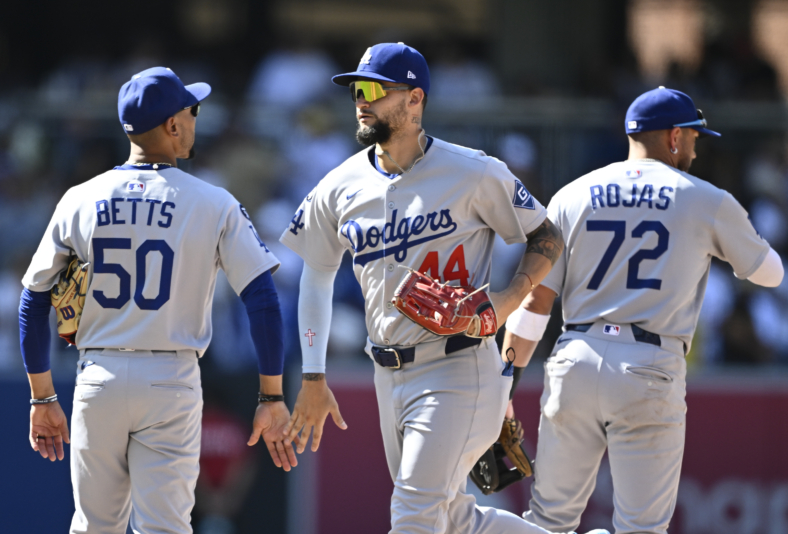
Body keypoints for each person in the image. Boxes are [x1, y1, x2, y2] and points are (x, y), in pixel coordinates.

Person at [279, 42, 607, 534]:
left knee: (413, 515)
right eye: (355, 90)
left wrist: (508, 298)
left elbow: (547, 235)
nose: (361, 100)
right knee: (452, 518)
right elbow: (317, 275)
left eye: (373, 89)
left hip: (459, 366)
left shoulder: (473, 171)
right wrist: (312, 376)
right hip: (387, 372)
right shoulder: (337, 186)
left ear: (415, 100)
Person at [19, 67, 296, 534]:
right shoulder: (213, 201)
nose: (194, 119)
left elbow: (33, 301)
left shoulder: (80, 197)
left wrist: (41, 396)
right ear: (172, 125)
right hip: (170, 378)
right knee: (164, 527)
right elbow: (263, 301)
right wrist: (270, 393)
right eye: (191, 110)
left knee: (94, 526)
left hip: (99, 374)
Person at [503, 87, 784, 534]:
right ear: (674, 137)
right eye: (693, 137)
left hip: (575, 356)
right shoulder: (706, 198)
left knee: (548, 522)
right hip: (647, 366)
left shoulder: (572, 194)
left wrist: (505, 385)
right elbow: (770, 274)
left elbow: (536, 302)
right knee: (641, 528)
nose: (694, 147)